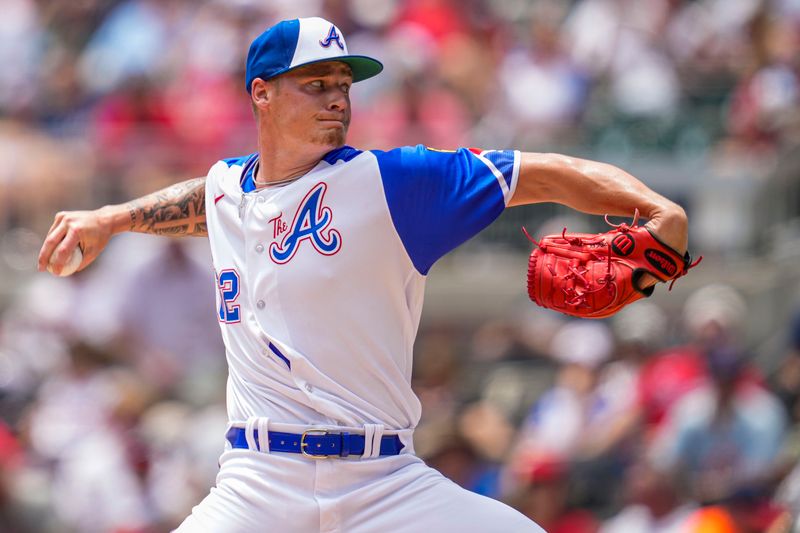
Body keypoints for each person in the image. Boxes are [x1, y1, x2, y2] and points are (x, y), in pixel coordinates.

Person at [38, 16, 689, 533]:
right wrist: (112, 218)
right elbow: (200, 202)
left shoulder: (394, 182)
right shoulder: (227, 190)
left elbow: (539, 171)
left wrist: (657, 210)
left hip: (387, 483)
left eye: (343, 85)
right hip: (259, 482)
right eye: (315, 84)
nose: (337, 100)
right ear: (261, 94)